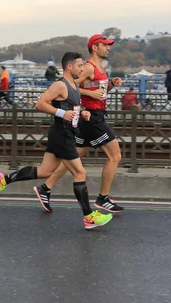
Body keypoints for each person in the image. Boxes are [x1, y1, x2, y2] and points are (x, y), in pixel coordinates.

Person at [0, 51, 113, 229]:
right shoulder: (60, 85)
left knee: (46, 171)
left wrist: (82, 112)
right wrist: (62, 113)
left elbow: (72, 107)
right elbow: (40, 103)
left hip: (64, 133)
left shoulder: (75, 86)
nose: (82, 68)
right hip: (62, 134)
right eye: (79, 65)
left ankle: (2, 180)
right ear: (69, 67)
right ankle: (89, 217)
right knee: (80, 173)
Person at [34, 34, 124, 213]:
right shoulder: (89, 68)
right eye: (104, 45)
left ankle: (45, 188)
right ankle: (103, 198)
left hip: (90, 118)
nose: (108, 48)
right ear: (94, 48)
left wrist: (112, 85)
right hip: (92, 118)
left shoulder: (100, 68)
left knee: (73, 158)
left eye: (108, 45)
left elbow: (99, 90)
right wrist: (90, 96)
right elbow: (72, 86)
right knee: (115, 156)